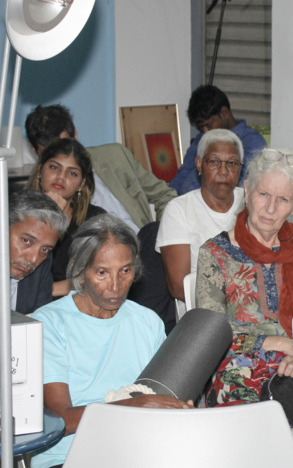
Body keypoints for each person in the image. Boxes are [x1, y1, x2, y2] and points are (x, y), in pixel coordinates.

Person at [31, 214, 193, 468]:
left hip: (136, 451)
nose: (116, 285)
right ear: (80, 271)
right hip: (69, 457)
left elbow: (161, 396)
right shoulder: (49, 324)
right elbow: (61, 420)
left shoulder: (147, 322)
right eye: (102, 272)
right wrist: (135, 405)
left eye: (125, 271)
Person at [196, 148, 293, 406]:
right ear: (246, 191)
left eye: (283, 199)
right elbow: (209, 337)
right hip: (240, 370)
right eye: (263, 194)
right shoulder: (215, 254)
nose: (270, 208)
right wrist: (280, 343)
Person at [25, 104, 177, 233]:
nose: (62, 159)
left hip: (143, 244)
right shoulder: (30, 202)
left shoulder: (115, 156)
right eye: (52, 162)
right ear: (34, 150)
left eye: (65, 146)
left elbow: (164, 195)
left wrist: (164, 238)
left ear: (75, 134)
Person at [156, 129, 246, 305]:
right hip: (203, 315)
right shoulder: (179, 210)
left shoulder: (252, 203)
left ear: (240, 168)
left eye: (232, 163)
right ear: (199, 164)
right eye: (214, 162)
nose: (223, 171)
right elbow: (179, 288)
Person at [26, 138, 107, 297]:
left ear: (82, 183)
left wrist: (52, 289)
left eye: (72, 173)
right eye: (54, 167)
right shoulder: (16, 212)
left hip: (78, 305)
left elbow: (100, 276)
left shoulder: (95, 220)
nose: (61, 177)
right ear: (39, 170)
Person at [169, 85, 267, 194]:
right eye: (201, 128)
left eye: (209, 125)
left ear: (224, 113)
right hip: (186, 205)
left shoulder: (252, 141)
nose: (206, 131)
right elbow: (182, 176)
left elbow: (240, 185)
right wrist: (171, 202)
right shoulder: (201, 139)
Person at [8, 190, 67, 315]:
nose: (34, 259)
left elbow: (41, 322)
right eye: (26, 241)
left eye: (45, 249)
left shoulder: (43, 265)